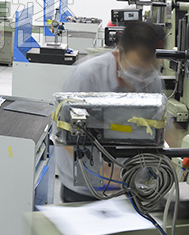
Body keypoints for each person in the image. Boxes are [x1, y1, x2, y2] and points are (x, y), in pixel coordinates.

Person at [55, 20, 164, 203]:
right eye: (135, 70)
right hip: (85, 186)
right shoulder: (87, 76)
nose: (141, 80)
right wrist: (103, 173)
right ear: (117, 54)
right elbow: (65, 132)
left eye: (147, 72)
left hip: (130, 185)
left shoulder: (153, 81)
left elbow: (160, 126)